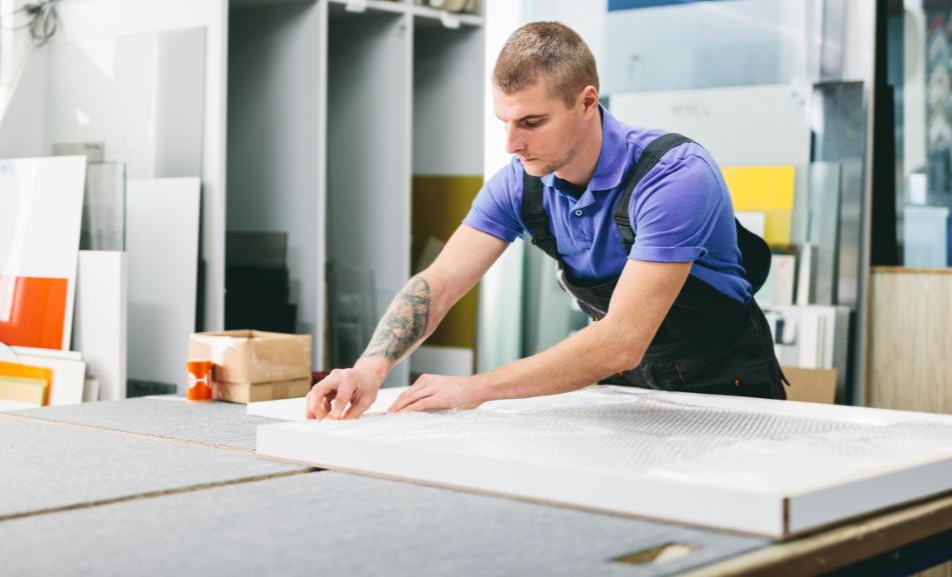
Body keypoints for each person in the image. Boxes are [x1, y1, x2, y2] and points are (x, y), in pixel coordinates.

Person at [306, 21, 784, 421]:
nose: (512, 145)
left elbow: (620, 340)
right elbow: (440, 282)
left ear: (587, 101)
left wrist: (477, 387)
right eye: (504, 123)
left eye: (531, 123)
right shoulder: (519, 182)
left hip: (726, 386)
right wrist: (368, 369)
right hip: (629, 388)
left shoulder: (675, 176)